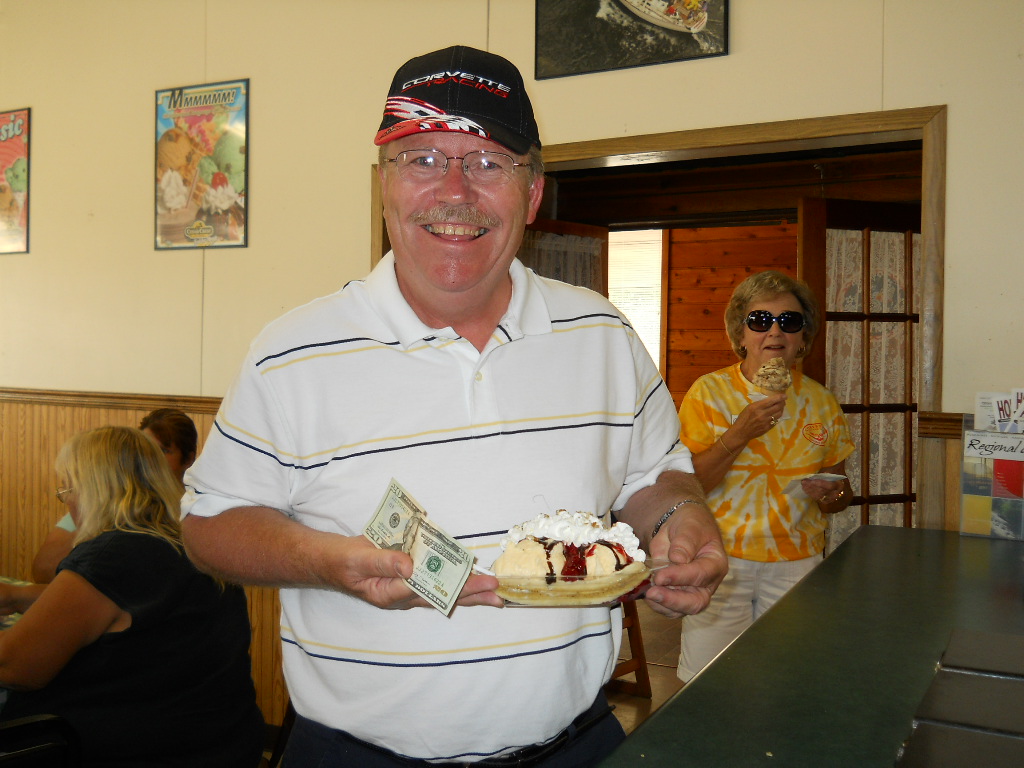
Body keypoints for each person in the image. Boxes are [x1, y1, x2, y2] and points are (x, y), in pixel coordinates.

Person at [180, 44, 727, 767]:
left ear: (532, 193)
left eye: (490, 162)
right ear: (384, 183)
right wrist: (324, 561)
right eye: (423, 159)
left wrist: (680, 518)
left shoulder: (602, 334)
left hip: (575, 748)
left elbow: (653, 476)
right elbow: (210, 525)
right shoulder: (290, 353)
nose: (455, 191)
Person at [0, 426, 264, 767]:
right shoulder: (192, 543)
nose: (67, 502)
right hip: (221, 744)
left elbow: (15, 668)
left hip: (131, 752)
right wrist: (20, 597)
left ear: (91, 489)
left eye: (66, 489)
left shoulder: (114, 554)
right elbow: (115, 609)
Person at [675, 270, 855, 681]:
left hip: (797, 562)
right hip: (719, 558)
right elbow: (689, 487)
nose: (775, 331)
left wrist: (830, 495)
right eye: (760, 320)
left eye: (789, 321)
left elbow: (841, 494)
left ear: (803, 338)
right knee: (709, 684)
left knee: (788, 681)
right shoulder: (708, 393)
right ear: (741, 334)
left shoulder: (821, 401)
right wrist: (739, 433)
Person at [30, 407, 197, 583]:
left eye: (162, 451)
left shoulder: (195, 510)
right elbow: (43, 570)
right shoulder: (103, 507)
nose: (150, 459)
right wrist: (94, 526)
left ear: (188, 459)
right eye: (144, 450)